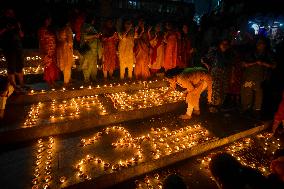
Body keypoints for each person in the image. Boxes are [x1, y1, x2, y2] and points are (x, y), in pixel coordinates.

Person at [241, 38, 276, 118]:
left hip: (261, 77)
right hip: (249, 75)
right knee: (247, 92)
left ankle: (256, 111)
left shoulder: (268, 54)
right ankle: (246, 109)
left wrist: (263, 63)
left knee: (259, 94)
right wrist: (252, 63)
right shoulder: (250, 53)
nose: (260, 45)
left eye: (262, 43)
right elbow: (243, 63)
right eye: (259, 43)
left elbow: (274, 65)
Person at [202, 39, 234, 113]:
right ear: (220, 44)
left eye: (226, 44)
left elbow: (231, 65)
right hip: (216, 72)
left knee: (224, 88)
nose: (224, 46)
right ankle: (213, 106)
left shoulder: (229, 54)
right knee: (216, 89)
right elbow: (203, 59)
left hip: (225, 73)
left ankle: (219, 105)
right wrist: (208, 66)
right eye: (223, 44)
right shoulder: (215, 52)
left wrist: (232, 76)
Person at [0, 8, 26, 92]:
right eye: (9, 12)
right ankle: (14, 85)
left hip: (18, 46)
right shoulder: (2, 21)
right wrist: (7, 28)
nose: (11, 14)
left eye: (12, 12)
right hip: (8, 47)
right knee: (11, 66)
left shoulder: (16, 22)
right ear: (5, 13)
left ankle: (22, 84)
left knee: (20, 65)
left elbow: (21, 35)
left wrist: (19, 28)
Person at [38, 15, 60, 88]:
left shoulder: (51, 29)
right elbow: (41, 41)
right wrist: (44, 52)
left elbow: (55, 39)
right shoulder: (42, 30)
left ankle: (53, 81)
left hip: (53, 50)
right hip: (47, 51)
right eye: (48, 20)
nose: (49, 22)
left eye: (50, 20)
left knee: (53, 66)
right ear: (44, 20)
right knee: (49, 66)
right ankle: (50, 82)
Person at [80, 15, 102, 84]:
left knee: (93, 65)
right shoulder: (86, 26)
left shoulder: (91, 27)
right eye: (93, 20)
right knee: (87, 64)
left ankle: (93, 77)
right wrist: (95, 36)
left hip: (94, 49)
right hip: (89, 49)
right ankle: (86, 79)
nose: (94, 21)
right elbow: (85, 37)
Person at [56, 18, 74, 87]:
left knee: (64, 64)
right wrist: (70, 45)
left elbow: (58, 38)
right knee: (67, 65)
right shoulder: (67, 29)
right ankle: (66, 82)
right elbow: (70, 40)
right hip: (66, 48)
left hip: (60, 47)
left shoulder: (58, 29)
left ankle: (67, 79)